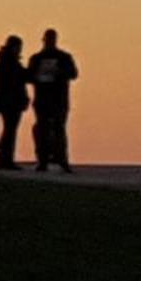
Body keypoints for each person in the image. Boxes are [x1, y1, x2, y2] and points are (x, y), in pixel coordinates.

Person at [27, 27, 80, 172]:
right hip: (43, 100)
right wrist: (39, 76)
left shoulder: (64, 57)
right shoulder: (36, 58)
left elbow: (74, 74)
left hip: (58, 99)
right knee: (44, 130)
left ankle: (61, 160)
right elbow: (29, 77)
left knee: (59, 130)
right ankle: (43, 161)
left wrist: (59, 73)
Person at [0, 35, 30, 170]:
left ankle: (5, 158)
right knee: (10, 131)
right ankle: (5, 159)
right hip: (10, 101)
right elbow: (6, 82)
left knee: (9, 130)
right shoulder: (8, 63)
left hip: (11, 100)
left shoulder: (8, 62)